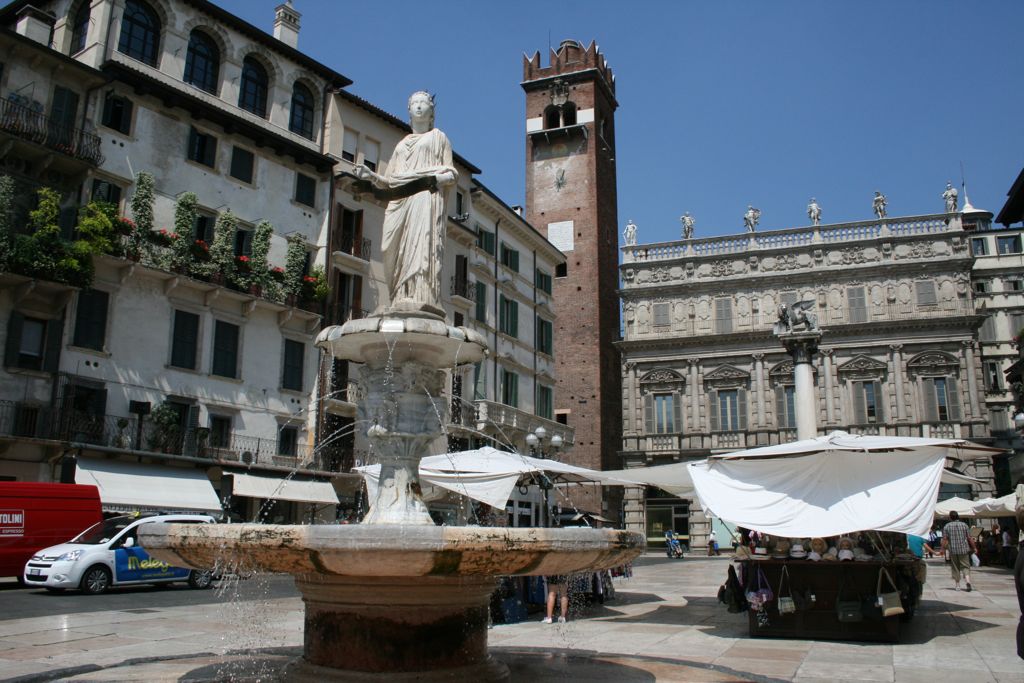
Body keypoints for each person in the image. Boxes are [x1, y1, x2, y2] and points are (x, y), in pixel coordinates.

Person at [353, 91, 458, 316]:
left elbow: (451, 173)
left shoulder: (439, 137)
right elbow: (390, 181)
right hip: (400, 200)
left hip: (425, 197)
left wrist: (434, 179)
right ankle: (399, 294)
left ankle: (421, 295)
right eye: (414, 103)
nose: (419, 106)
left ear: (432, 111)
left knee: (421, 245)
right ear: (409, 110)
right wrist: (371, 175)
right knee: (389, 247)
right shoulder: (401, 145)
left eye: (424, 103)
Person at [942, 510, 976, 591]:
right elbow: (969, 538)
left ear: (950, 517)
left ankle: (957, 585)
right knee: (965, 566)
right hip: (964, 549)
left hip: (953, 550)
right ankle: (968, 581)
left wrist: (942, 549)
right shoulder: (964, 525)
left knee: (955, 567)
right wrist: (974, 547)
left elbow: (945, 539)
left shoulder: (947, 526)